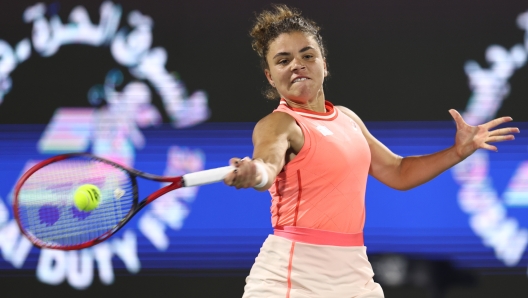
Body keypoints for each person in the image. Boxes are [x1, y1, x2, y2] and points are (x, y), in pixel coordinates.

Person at [223, 4, 519, 298]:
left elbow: (398, 172)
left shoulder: (347, 118)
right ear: (270, 77)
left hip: (355, 274)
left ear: (324, 64)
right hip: (293, 278)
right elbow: (267, 163)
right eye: (283, 60)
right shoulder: (279, 123)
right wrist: (256, 172)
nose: (297, 65)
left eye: (307, 55)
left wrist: (457, 151)